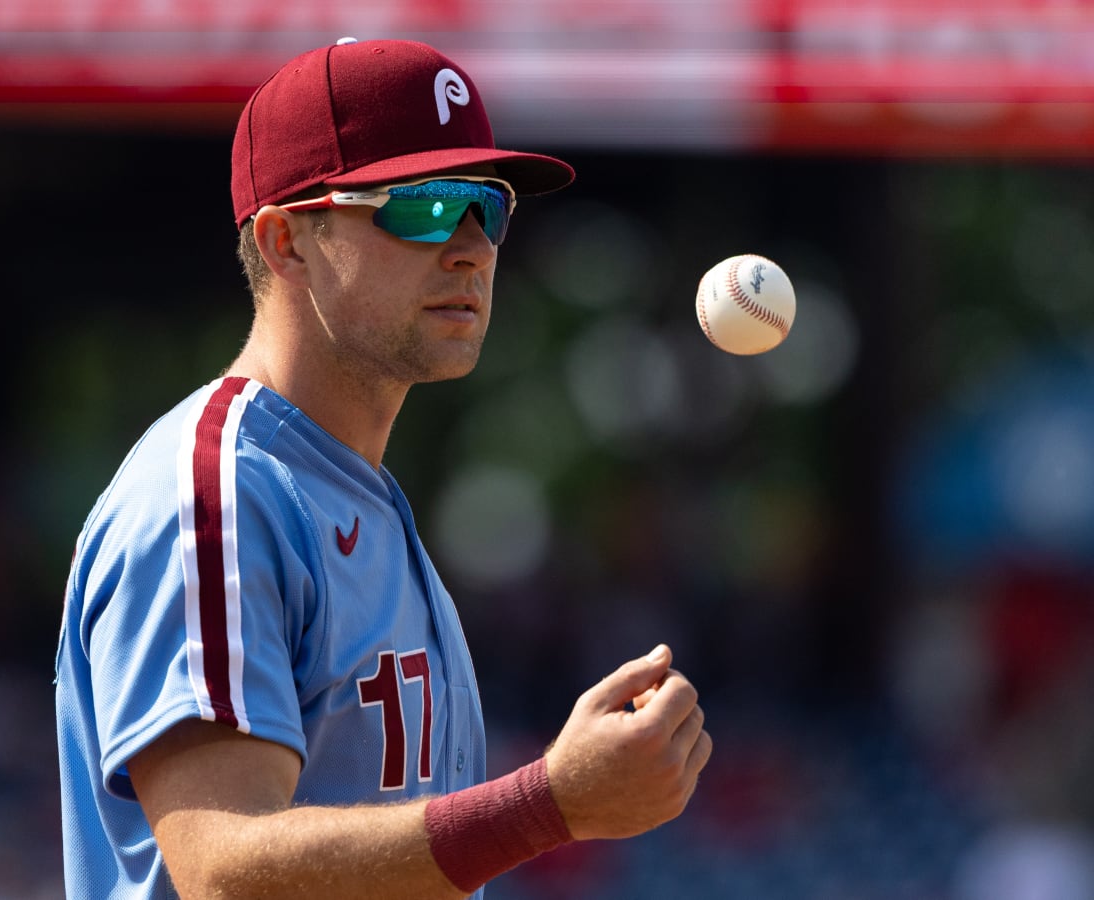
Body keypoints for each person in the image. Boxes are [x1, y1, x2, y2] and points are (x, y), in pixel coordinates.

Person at [54, 36, 712, 899]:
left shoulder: (359, 496)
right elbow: (222, 868)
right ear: (287, 240)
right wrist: (547, 804)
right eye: (425, 205)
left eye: (490, 205)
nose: (474, 247)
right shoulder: (217, 491)